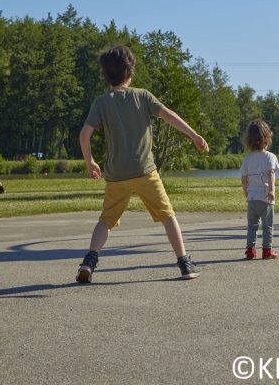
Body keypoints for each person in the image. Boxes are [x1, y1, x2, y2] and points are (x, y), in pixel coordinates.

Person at [76, 45, 209, 283]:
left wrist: (90, 162)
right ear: (130, 72)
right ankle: (185, 263)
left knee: (106, 219)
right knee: (168, 215)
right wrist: (193, 135)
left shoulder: (101, 102)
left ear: (106, 75)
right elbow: (168, 115)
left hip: (116, 174)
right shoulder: (143, 96)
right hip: (145, 171)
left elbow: (84, 135)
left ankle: (89, 261)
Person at [240, 119, 279, 260]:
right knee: (267, 226)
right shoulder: (270, 157)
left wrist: (246, 193)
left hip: (252, 198)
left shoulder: (247, 159)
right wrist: (271, 191)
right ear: (267, 139)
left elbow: (244, 179)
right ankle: (266, 250)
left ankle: (250, 250)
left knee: (252, 225)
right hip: (265, 198)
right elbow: (271, 174)